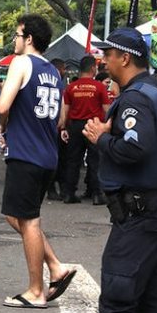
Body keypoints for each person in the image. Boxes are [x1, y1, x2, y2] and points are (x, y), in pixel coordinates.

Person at [47, 27, 157, 313]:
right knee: (152, 290)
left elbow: (135, 149)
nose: (103, 60)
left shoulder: (137, 98)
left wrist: (100, 139)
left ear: (125, 58)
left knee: (119, 290)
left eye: (108, 54)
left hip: (142, 210)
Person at [0, 14, 76, 310]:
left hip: (26, 153)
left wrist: (1, 123)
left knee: (27, 220)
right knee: (16, 215)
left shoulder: (22, 63)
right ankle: (55, 265)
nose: (15, 40)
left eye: (17, 34)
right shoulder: (54, 72)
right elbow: (58, 119)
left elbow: (3, 105)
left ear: (29, 38)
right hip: (46, 154)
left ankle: (35, 290)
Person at [61, 55, 111, 205]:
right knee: (95, 160)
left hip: (75, 126)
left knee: (73, 160)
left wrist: (63, 127)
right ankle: (97, 194)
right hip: (94, 125)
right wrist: (108, 126)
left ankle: (69, 193)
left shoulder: (71, 87)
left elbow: (65, 110)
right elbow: (107, 109)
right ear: (92, 69)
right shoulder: (99, 87)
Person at [45, 58, 68, 201]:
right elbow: (62, 113)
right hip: (54, 129)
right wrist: (63, 126)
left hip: (42, 128)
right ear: (59, 69)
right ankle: (52, 188)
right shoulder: (58, 84)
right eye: (64, 69)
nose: (65, 72)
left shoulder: (42, 82)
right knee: (57, 160)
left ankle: (50, 188)